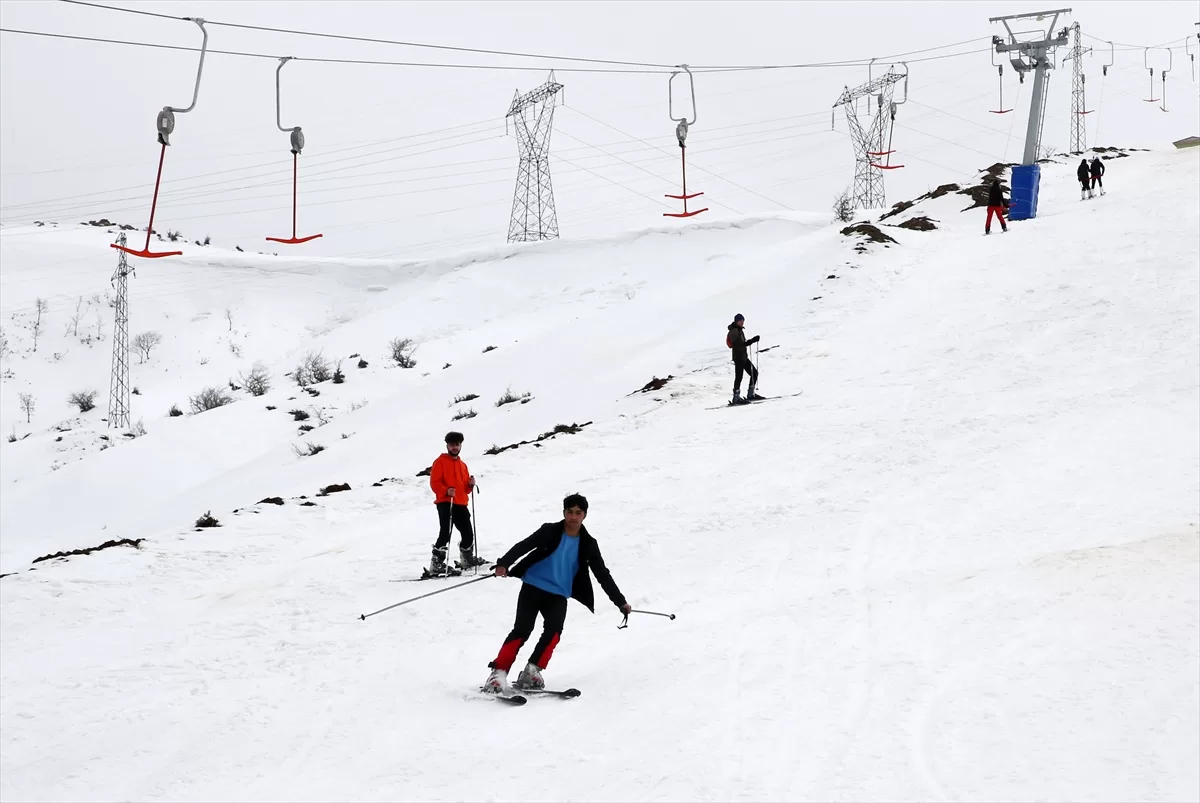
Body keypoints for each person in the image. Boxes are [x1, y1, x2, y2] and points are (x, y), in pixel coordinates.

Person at [482, 494, 632, 693]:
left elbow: (602, 575)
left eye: (578, 513)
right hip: (533, 586)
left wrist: (620, 602)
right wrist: (504, 563)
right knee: (522, 630)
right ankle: (497, 674)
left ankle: (531, 672)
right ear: (564, 513)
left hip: (558, 594)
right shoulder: (549, 531)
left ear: (584, 515)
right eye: (569, 512)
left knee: (553, 633)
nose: (573, 517)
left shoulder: (588, 544)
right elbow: (524, 546)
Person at [428, 431, 486, 575]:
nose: (455, 447)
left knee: (468, 533)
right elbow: (434, 483)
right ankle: (436, 564)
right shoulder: (440, 462)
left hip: (461, 503)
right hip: (445, 503)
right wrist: (445, 491)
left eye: (457, 444)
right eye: (452, 444)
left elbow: (465, 489)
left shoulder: (463, 465)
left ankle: (466, 559)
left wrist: (470, 485)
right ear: (447, 445)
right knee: (445, 533)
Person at [726, 313, 762, 405]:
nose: (742, 322)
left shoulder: (739, 330)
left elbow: (742, 344)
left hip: (743, 357)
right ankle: (736, 398)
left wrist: (751, 341)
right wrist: (751, 341)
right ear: (736, 321)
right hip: (738, 358)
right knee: (739, 377)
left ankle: (750, 394)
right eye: (740, 320)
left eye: (743, 320)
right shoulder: (733, 332)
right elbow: (738, 345)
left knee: (754, 373)